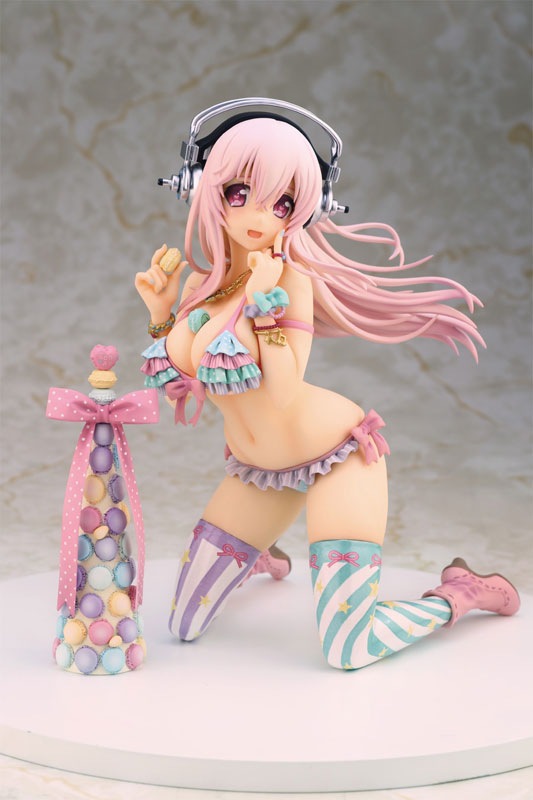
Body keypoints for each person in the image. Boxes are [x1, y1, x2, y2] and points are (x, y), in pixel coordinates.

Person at [135, 106, 519, 670]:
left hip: (337, 457)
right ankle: (261, 553)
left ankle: (460, 592)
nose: (259, 215)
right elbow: (180, 377)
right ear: (203, 185)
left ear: (304, 210)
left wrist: (264, 307)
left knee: (347, 648)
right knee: (182, 623)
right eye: (241, 192)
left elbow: (282, 391)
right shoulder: (200, 284)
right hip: (256, 471)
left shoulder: (290, 281)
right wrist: (161, 314)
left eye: (281, 203)